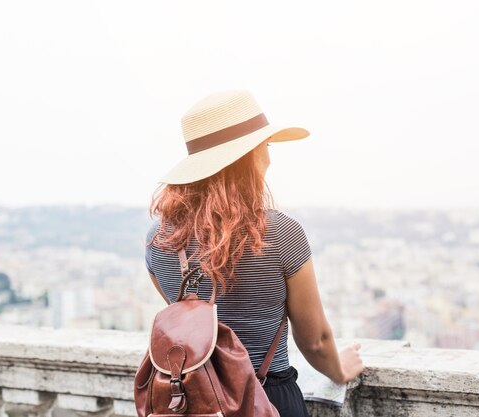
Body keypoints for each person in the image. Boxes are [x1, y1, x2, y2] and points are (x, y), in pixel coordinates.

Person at [145, 90, 364, 417]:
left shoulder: (158, 240)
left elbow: (195, 321)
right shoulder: (279, 233)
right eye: (266, 146)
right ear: (249, 157)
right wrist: (340, 370)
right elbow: (315, 340)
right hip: (268, 395)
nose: (269, 157)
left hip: (197, 400)